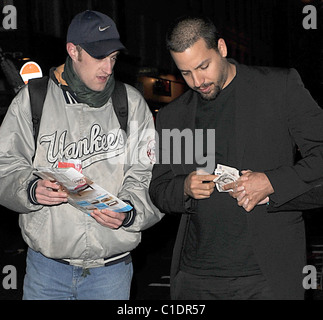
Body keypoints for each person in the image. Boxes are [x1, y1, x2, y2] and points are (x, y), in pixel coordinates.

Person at [149, 15, 323, 300]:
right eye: (186, 73)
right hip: (196, 277)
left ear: (222, 47)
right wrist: (183, 187)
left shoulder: (279, 88)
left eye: (203, 66)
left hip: (266, 275)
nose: (197, 81)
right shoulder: (172, 116)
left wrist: (272, 182)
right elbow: (158, 189)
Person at [0, 10, 163, 300]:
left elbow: (150, 177)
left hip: (110, 272)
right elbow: (5, 166)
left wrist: (129, 212)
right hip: (46, 270)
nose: (108, 68)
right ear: (72, 50)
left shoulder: (131, 103)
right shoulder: (32, 100)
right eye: (99, 56)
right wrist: (31, 189)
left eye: (113, 57)